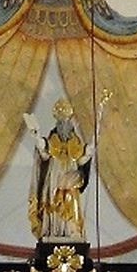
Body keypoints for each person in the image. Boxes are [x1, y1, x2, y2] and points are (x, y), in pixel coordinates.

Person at [24, 100, 93, 242]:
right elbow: (44, 153)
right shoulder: (52, 139)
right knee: (53, 201)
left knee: (71, 202)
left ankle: (71, 231)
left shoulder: (75, 141)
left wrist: (88, 154)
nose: (64, 124)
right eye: (61, 121)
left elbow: (80, 160)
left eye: (66, 121)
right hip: (54, 177)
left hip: (70, 176)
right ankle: (53, 230)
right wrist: (36, 135)